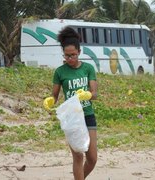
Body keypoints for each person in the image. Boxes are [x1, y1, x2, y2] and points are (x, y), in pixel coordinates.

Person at [44, 26, 98, 180]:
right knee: (78, 157)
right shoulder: (60, 72)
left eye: (73, 55)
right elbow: (54, 96)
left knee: (92, 159)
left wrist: (88, 94)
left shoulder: (88, 68)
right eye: (67, 56)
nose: (70, 59)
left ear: (79, 52)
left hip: (87, 115)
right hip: (72, 118)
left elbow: (94, 94)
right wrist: (50, 101)